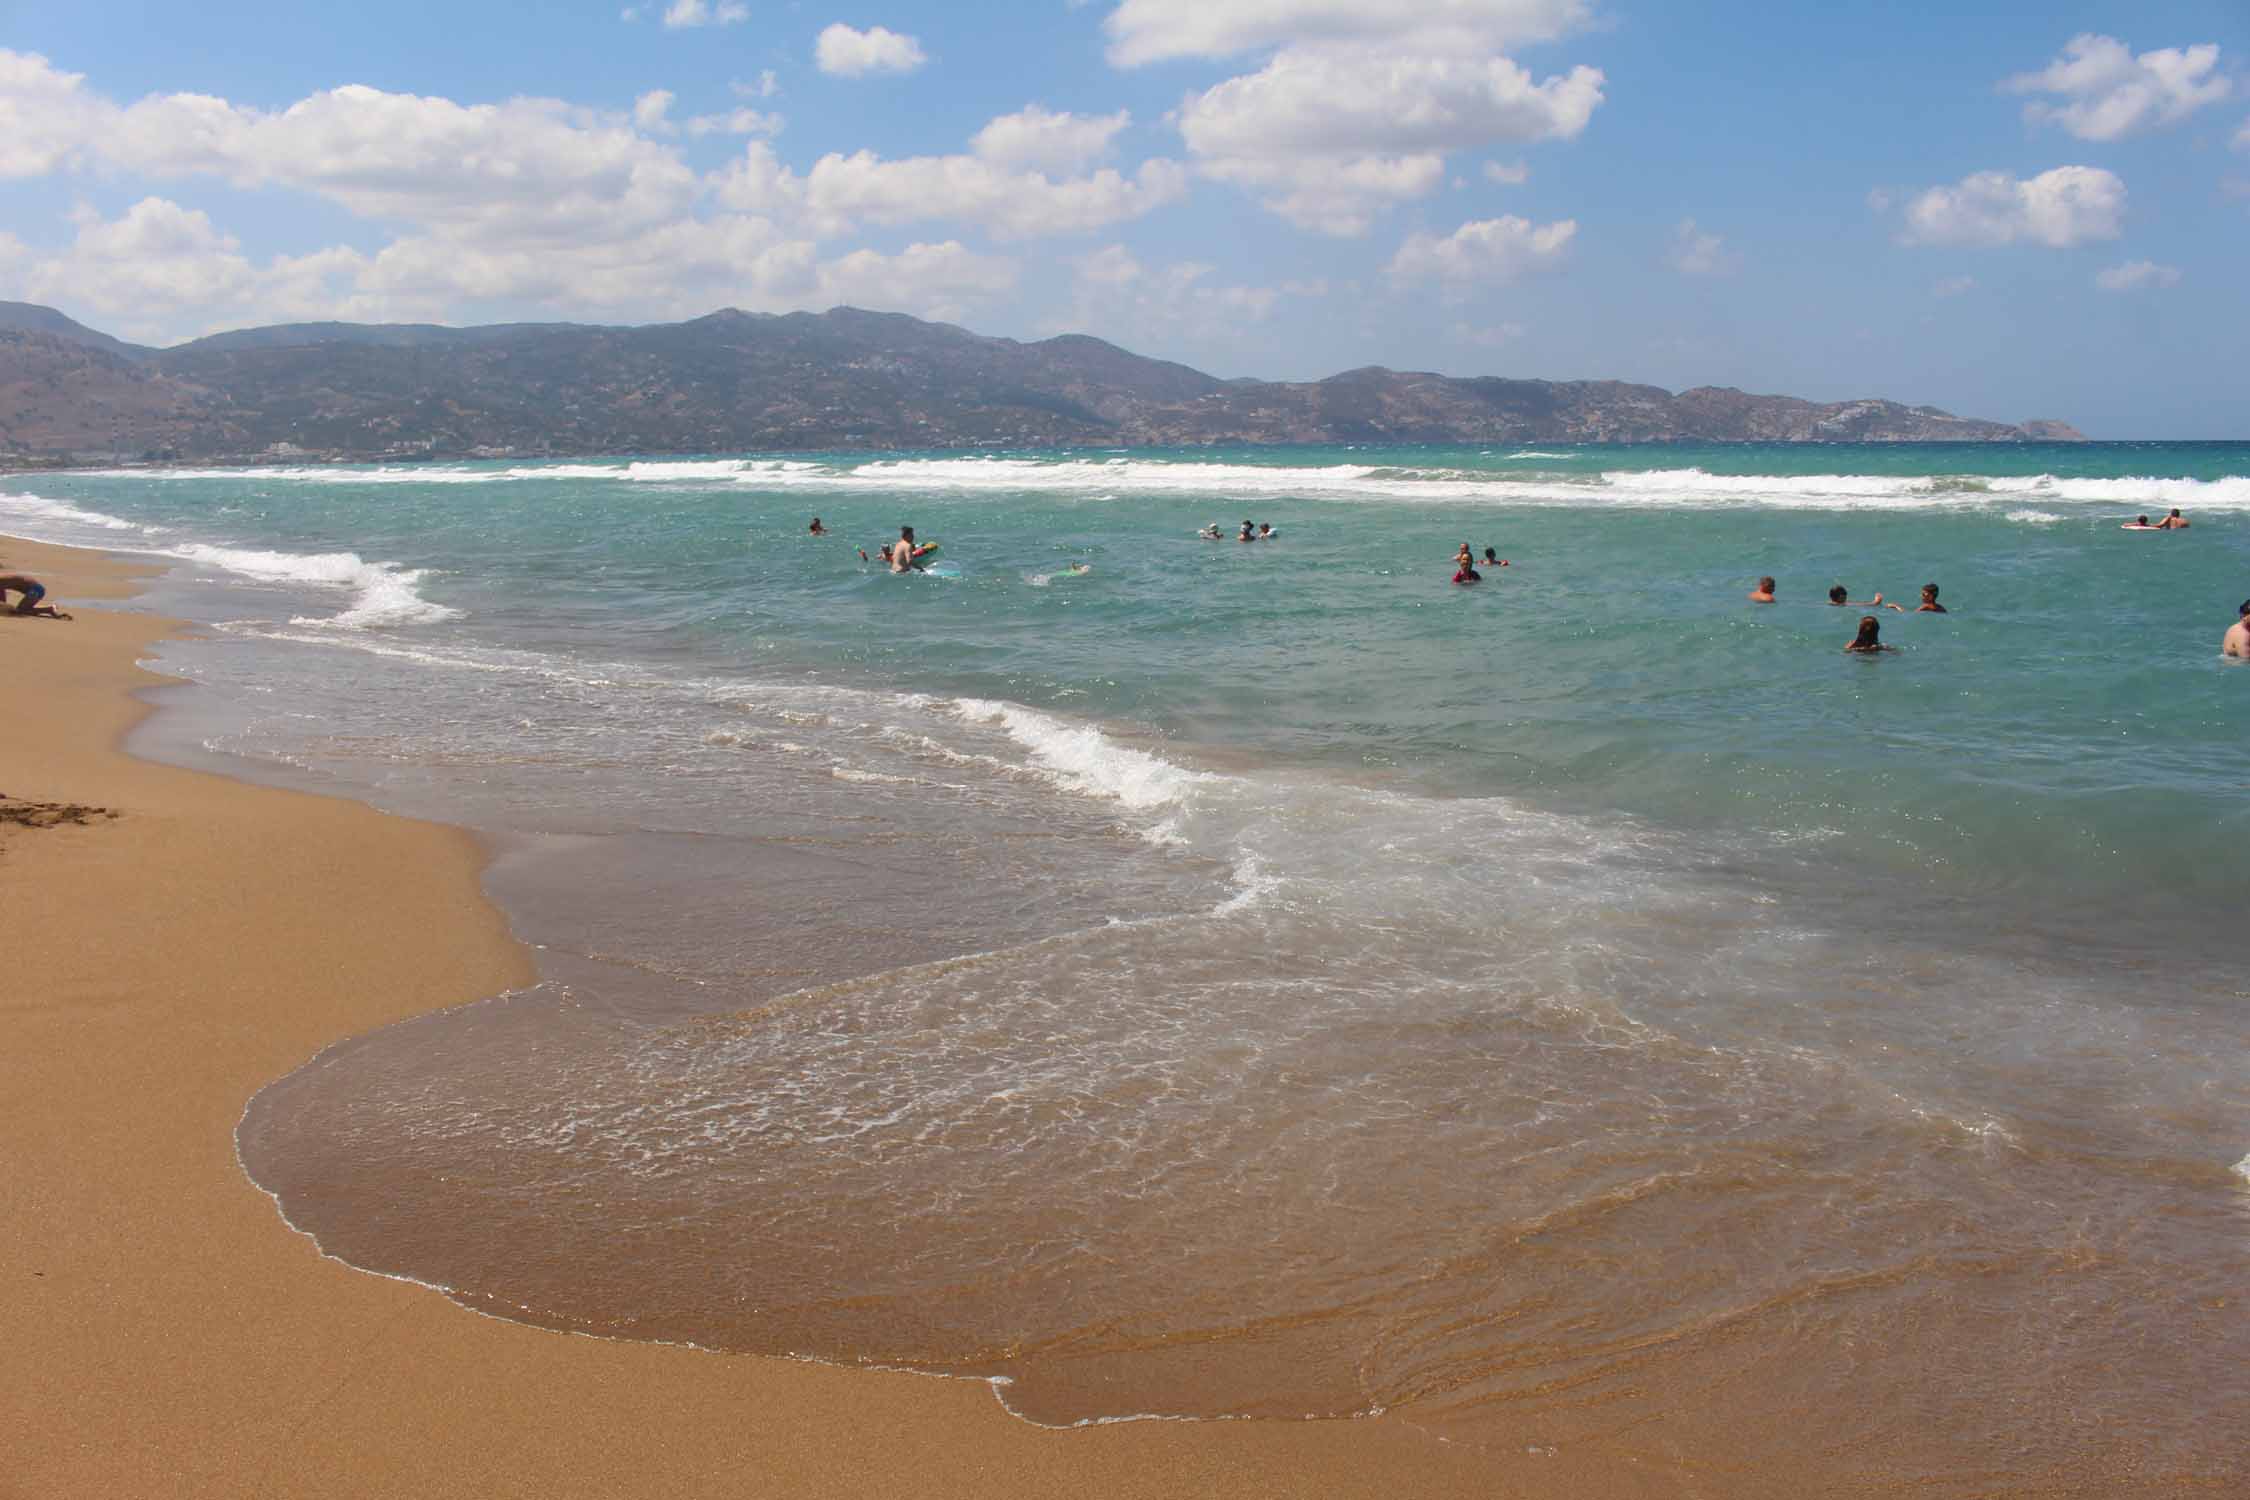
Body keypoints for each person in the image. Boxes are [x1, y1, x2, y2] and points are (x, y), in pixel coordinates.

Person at [0, 573, 70, 619]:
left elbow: (3, 602)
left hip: (35, 590)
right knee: (22, 610)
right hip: (37, 589)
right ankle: (49, 609)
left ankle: (50, 609)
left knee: (21, 611)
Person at [1829, 584, 1901, 611]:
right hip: (1871, 607)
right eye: (1844, 594)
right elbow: (1864, 605)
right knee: (1894, 606)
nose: (1846, 596)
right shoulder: (1840, 604)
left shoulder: (1836, 604)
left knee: (1891, 606)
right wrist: (1876, 601)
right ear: (1840, 596)